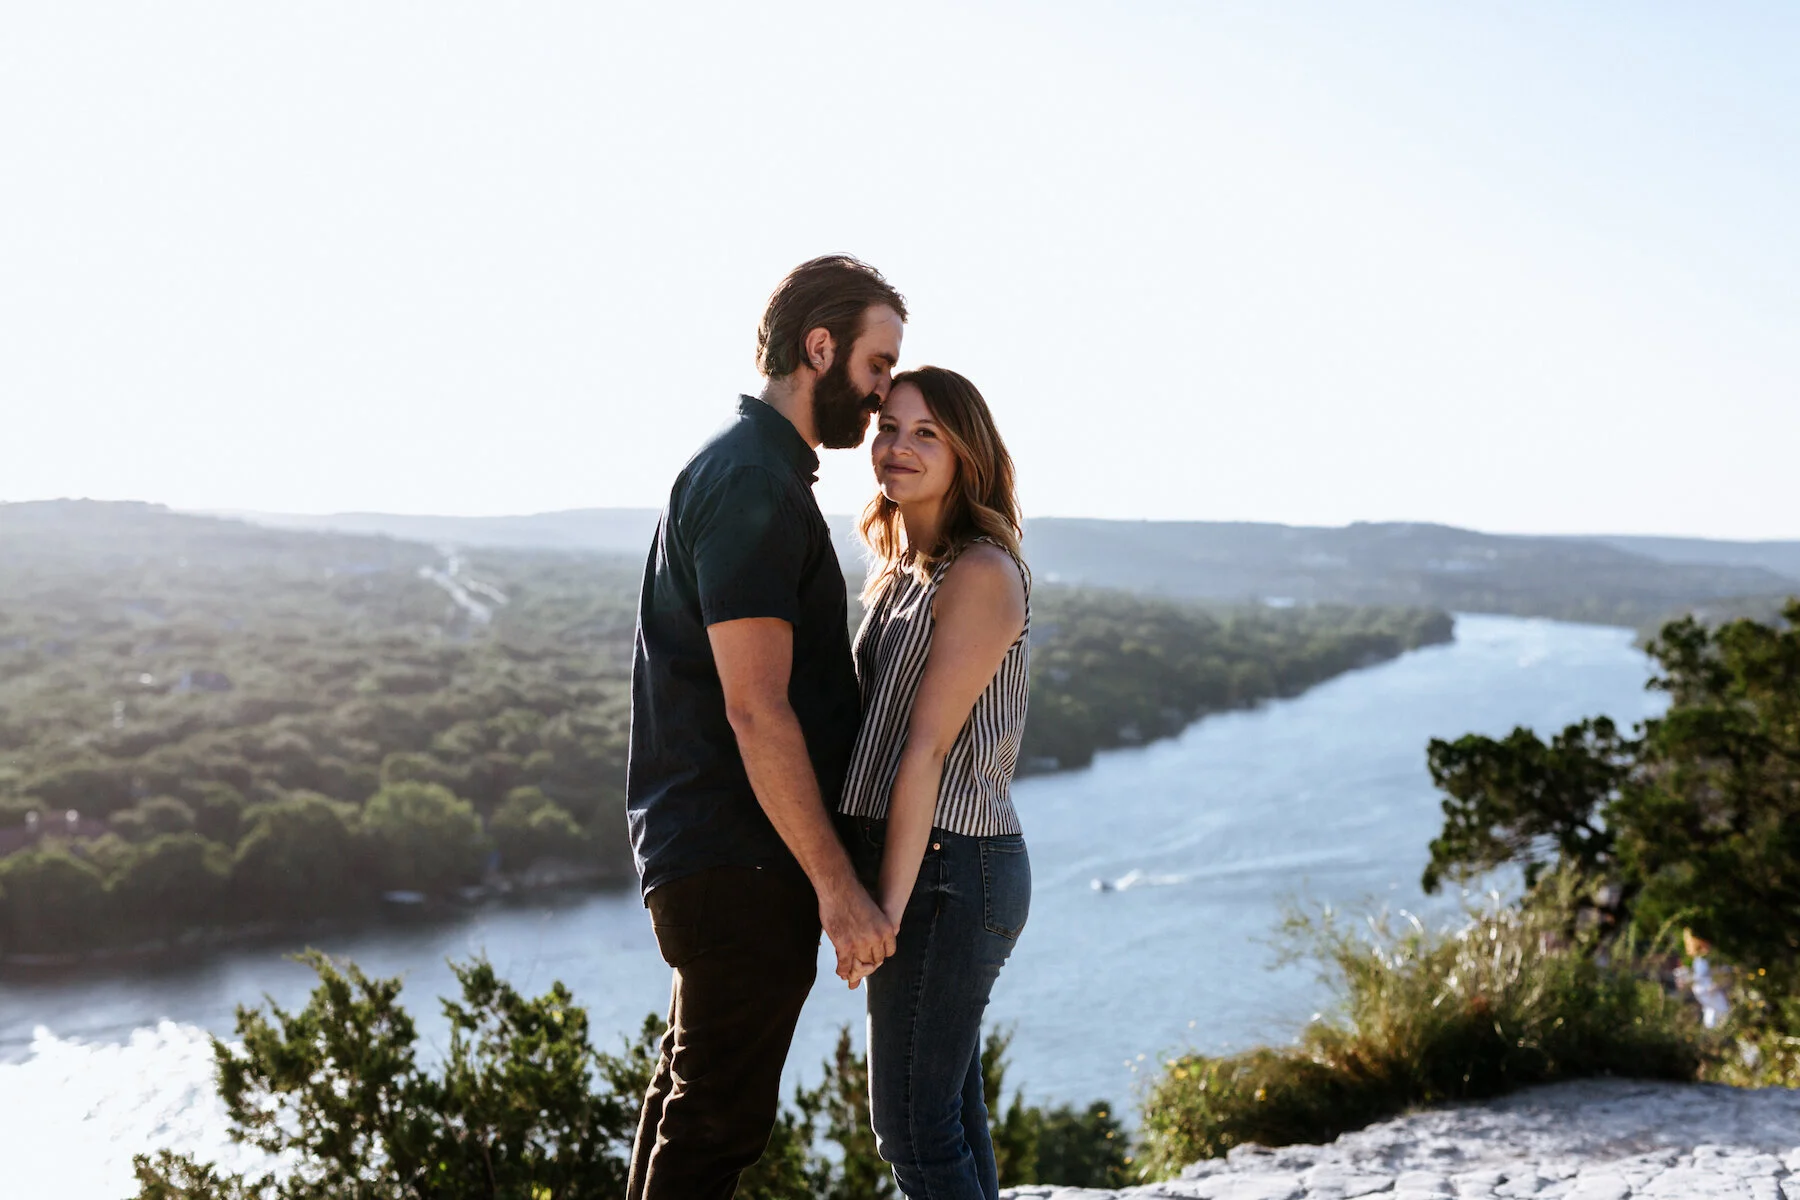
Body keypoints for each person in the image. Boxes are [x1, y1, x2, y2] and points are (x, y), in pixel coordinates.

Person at [625, 255, 906, 1199]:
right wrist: (838, 887)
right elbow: (756, 706)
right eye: (876, 365)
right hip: (741, 859)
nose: (881, 394)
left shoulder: (756, 469)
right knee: (715, 1124)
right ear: (817, 349)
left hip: (722, 854)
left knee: (690, 1101)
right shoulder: (751, 482)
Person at [837, 366, 1033, 1199]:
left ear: (967, 453)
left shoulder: (980, 573)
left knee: (912, 1128)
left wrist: (880, 904)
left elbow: (923, 751)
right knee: (950, 1112)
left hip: (950, 869)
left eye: (926, 434)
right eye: (889, 428)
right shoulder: (901, 572)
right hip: (930, 862)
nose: (899, 447)